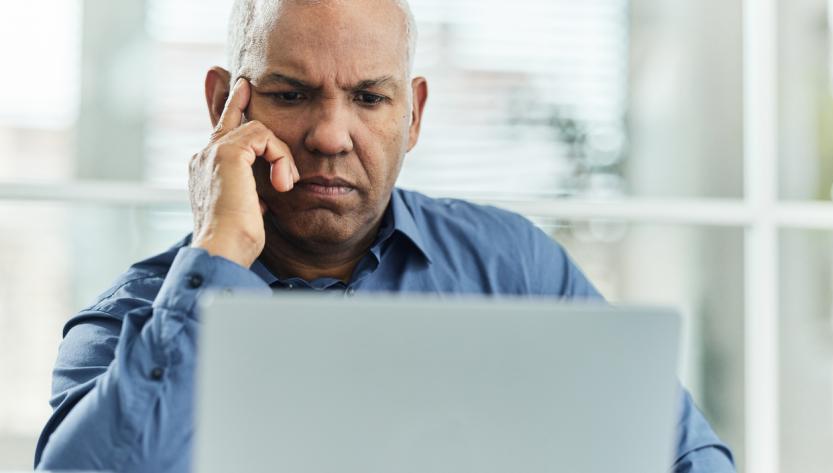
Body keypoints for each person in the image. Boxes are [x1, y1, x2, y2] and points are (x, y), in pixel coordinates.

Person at [34, 0, 736, 471]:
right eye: (290, 93)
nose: (331, 135)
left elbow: (686, 454)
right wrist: (217, 255)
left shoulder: (514, 267)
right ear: (225, 105)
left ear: (414, 113)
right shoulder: (131, 323)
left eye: (369, 98)